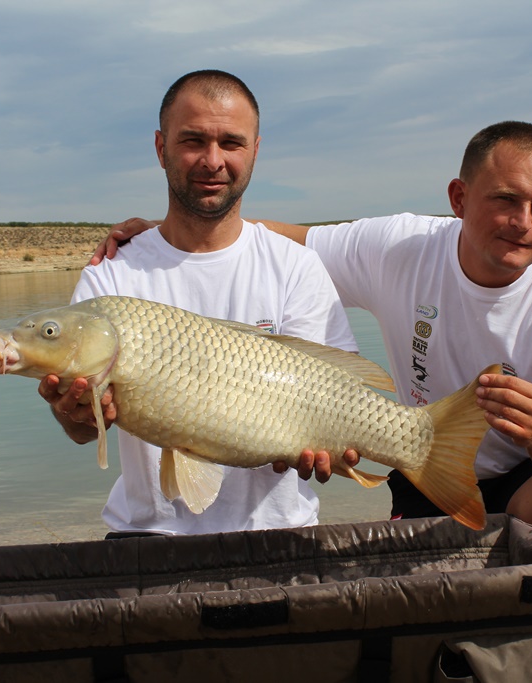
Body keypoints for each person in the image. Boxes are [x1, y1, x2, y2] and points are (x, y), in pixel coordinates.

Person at [93, 120, 532, 544]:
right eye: (505, 200)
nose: (522, 222)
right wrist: (168, 235)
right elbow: (291, 240)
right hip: (423, 476)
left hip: (527, 475)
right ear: (459, 198)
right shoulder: (399, 246)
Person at [41, 69, 358, 536]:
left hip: (278, 531)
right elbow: (81, 431)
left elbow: (337, 398)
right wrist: (73, 414)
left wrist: (339, 449)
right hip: (145, 538)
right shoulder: (111, 273)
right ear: (160, 147)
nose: (213, 161)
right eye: (193, 141)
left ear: (254, 150)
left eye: (231, 142)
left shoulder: (296, 267)